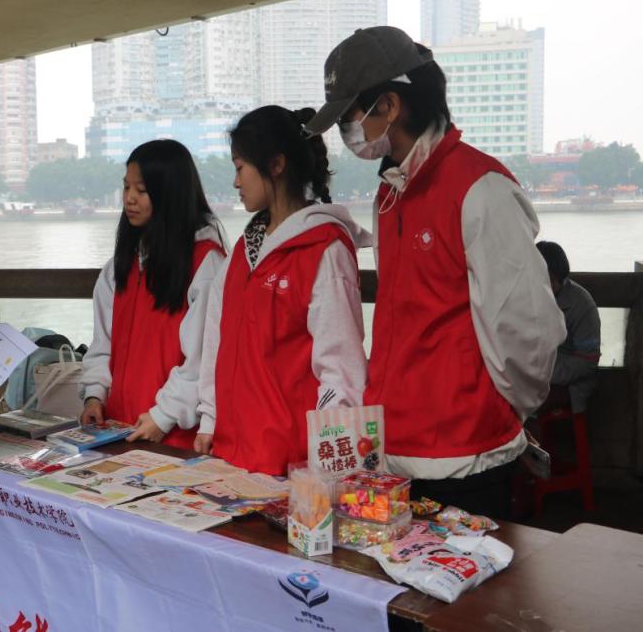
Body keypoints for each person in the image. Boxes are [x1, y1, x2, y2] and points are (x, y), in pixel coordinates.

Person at [303, 26, 566, 518]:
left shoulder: (479, 187)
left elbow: (527, 327)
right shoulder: (390, 192)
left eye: (350, 116)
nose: (346, 132)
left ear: (389, 106)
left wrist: (501, 409)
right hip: (395, 451)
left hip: (468, 458)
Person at [194, 106, 370, 475]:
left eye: (240, 167)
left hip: (291, 466)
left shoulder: (324, 249)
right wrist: (209, 418)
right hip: (232, 457)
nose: (236, 182)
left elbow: (341, 372)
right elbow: (215, 342)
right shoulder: (241, 252)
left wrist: (324, 472)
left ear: (276, 165)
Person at [79, 139, 225, 449]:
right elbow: (103, 344)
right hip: (118, 430)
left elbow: (203, 361)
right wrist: (94, 395)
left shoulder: (205, 264)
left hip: (174, 437)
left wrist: (163, 416)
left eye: (142, 190)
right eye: (126, 187)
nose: (129, 198)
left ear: (170, 194)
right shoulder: (118, 267)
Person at [536, 241, 600, 413]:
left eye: (550, 280)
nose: (544, 285)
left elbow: (588, 361)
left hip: (569, 383)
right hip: (534, 372)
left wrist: (543, 372)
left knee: (524, 402)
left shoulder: (582, 304)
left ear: (561, 277)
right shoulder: (527, 295)